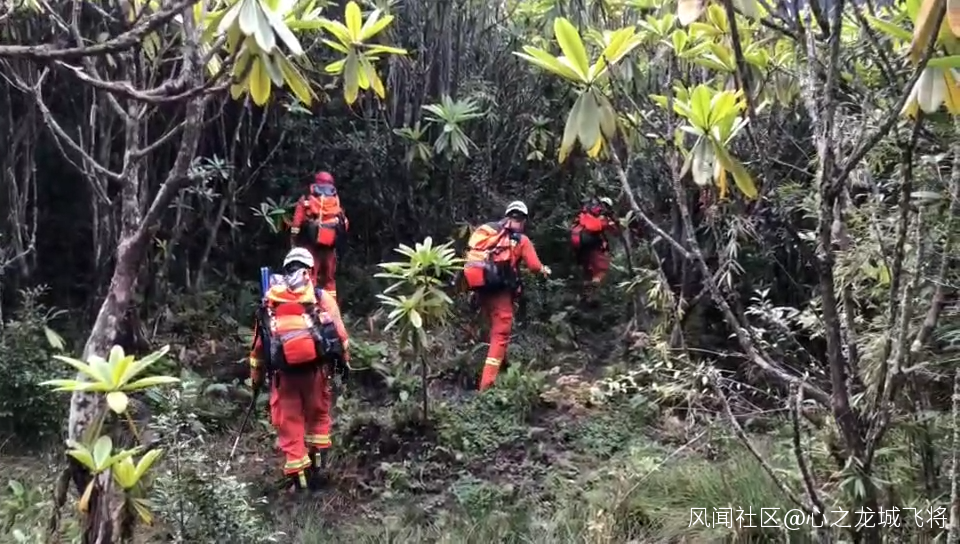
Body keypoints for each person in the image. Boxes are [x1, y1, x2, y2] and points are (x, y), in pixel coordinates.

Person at [248, 247, 351, 492]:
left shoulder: (271, 300)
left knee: (289, 423)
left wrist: (256, 381)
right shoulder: (321, 298)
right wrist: (343, 364)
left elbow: (258, 349)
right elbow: (341, 335)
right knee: (318, 416)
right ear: (311, 270)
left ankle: (300, 483)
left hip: (284, 376)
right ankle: (319, 468)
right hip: (316, 371)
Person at [462, 201, 551, 391]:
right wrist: (544, 270)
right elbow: (534, 266)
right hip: (501, 294)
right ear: (524, 220)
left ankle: (491, 367)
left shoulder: (489, 234)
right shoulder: (521, 240)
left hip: (481, 289)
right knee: (500, 336)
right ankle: (486, 386)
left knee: (490, 327)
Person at [290, 171, 349, 301]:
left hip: (310, 245)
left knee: (311, 276)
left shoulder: (306, 199)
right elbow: (345, 224)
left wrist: (294, 242)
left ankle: (312, 306)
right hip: (330, 246)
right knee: (329, 279)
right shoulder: (335, 200)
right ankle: (332, 307)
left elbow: (296, 223)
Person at [570, 197, 619, 285]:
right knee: (601, 264)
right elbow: (613, 230)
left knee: (586, 264)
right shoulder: (602, 216)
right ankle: (595, 283)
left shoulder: (585, 213)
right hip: (589, 240)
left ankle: (586, 283)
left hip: (576, 240)